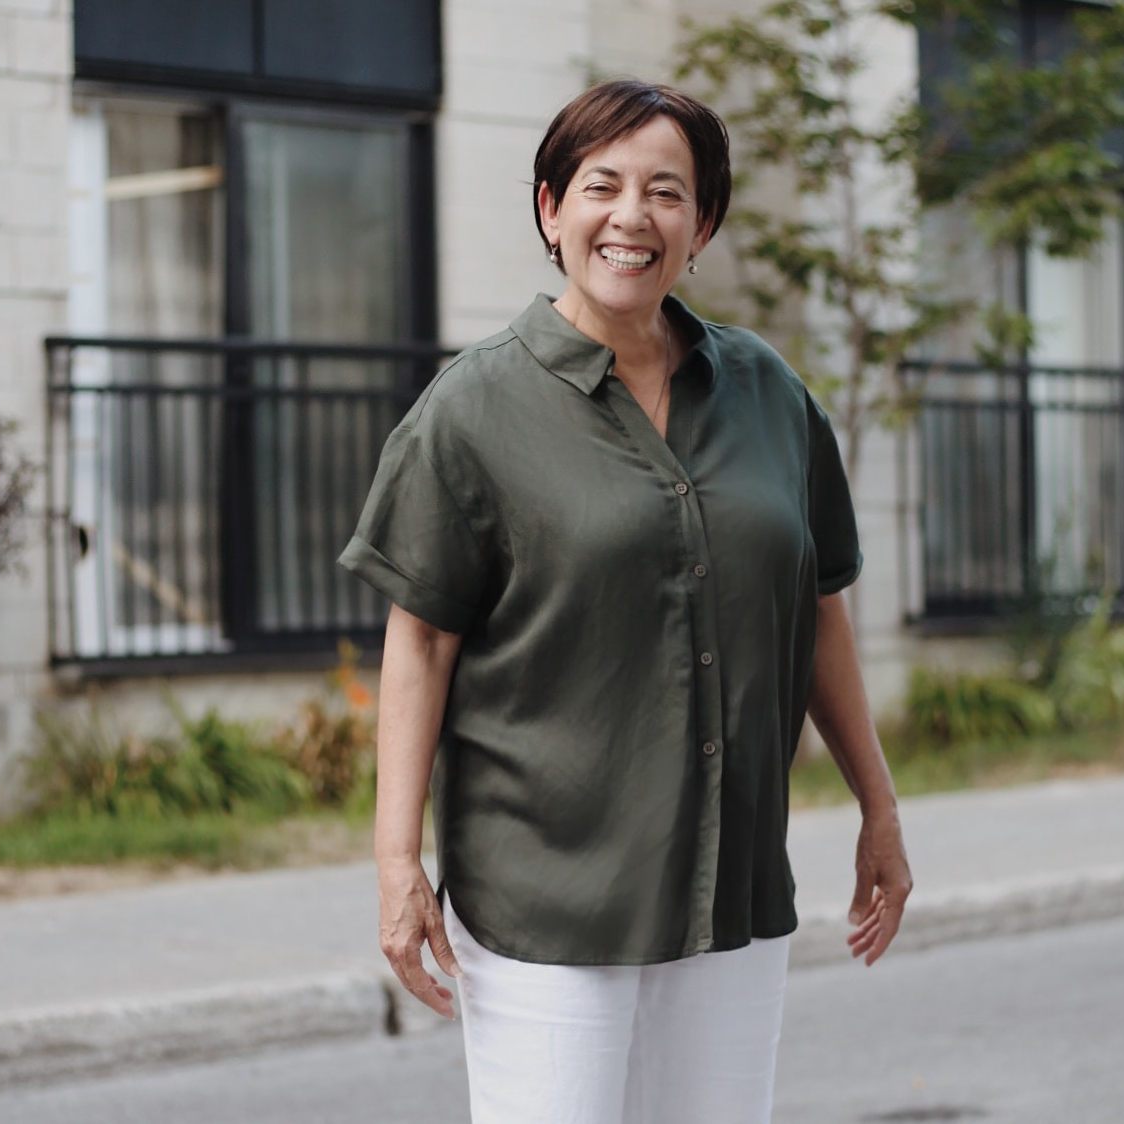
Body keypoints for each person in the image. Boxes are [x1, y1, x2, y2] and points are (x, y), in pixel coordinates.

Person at [339, 77, 911, 1124]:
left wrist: (878, 805)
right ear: (551, 209)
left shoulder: (769, 396)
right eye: (601, 185)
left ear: (702, 222)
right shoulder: (472, 409)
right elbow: (418, 640)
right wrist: (394, 863)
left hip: (727, 883)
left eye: (665, 191)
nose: (631, 216)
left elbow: (817, 605)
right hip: (546, 896)